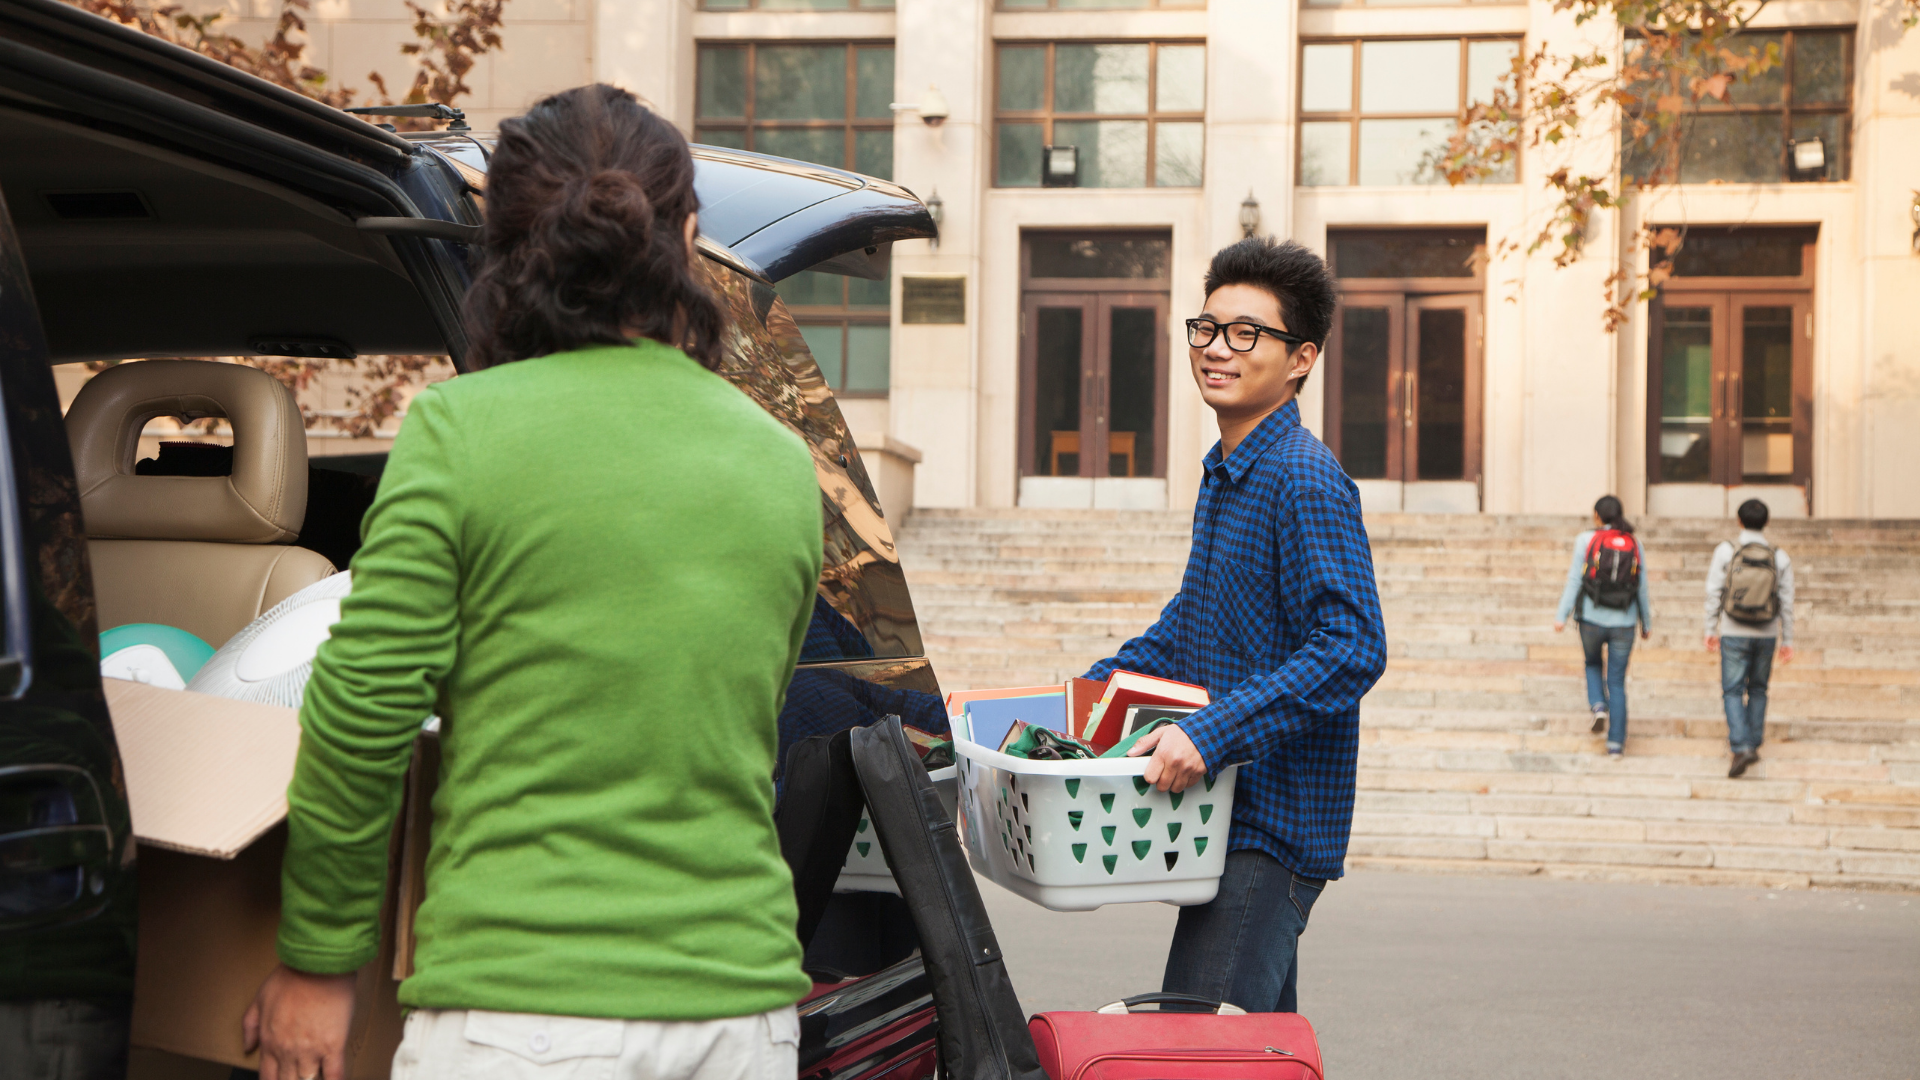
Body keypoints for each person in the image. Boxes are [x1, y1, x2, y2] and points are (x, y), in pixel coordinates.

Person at [242, 86, 821, 1080]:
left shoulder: (460, 433)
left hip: (523, 1010)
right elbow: (738, 720)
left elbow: (361, 718)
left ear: (503, 251)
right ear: (687, 238)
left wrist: (317, 964)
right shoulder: (780, 464)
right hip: (744, 1014)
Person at [1081, 236, 1388, 1015]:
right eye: (1207, 329)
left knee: (1195, 1047)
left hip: (1272, 828)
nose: (1218, 349)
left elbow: (1352, 647)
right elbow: (1192, 619)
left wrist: (1209, 734)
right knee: (1254, 1054)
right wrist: (1089, 693)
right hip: (1226, 820)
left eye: (1246, 333)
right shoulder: (1226, 472)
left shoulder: (1304, 477)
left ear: (1301, 359)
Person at [1554, 495, 1653, 757]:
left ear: (1597, 516)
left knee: (1593, 664)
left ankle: (1598, 706)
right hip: (1625, 620)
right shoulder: (1634, 542)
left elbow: (1575, 578)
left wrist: (1561, 615)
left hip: (1590, 619)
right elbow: (1641, 587)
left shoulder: (1585, 540)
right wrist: (1646, 622)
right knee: (1617, 682)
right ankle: (1616, 744)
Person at [1706, 498, 1795, 778]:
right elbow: (1787, 601)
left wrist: (1710, 628)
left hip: (1733, 630)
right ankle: (1753, 744)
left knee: (1732, 690)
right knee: (1758, 689)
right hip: (1766, 632)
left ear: (1739, 520)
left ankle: (1740, 745)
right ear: (1766, 522)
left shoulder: (1726, 551)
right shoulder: (1779, 556)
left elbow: (1713, 593)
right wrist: (1788, 638)